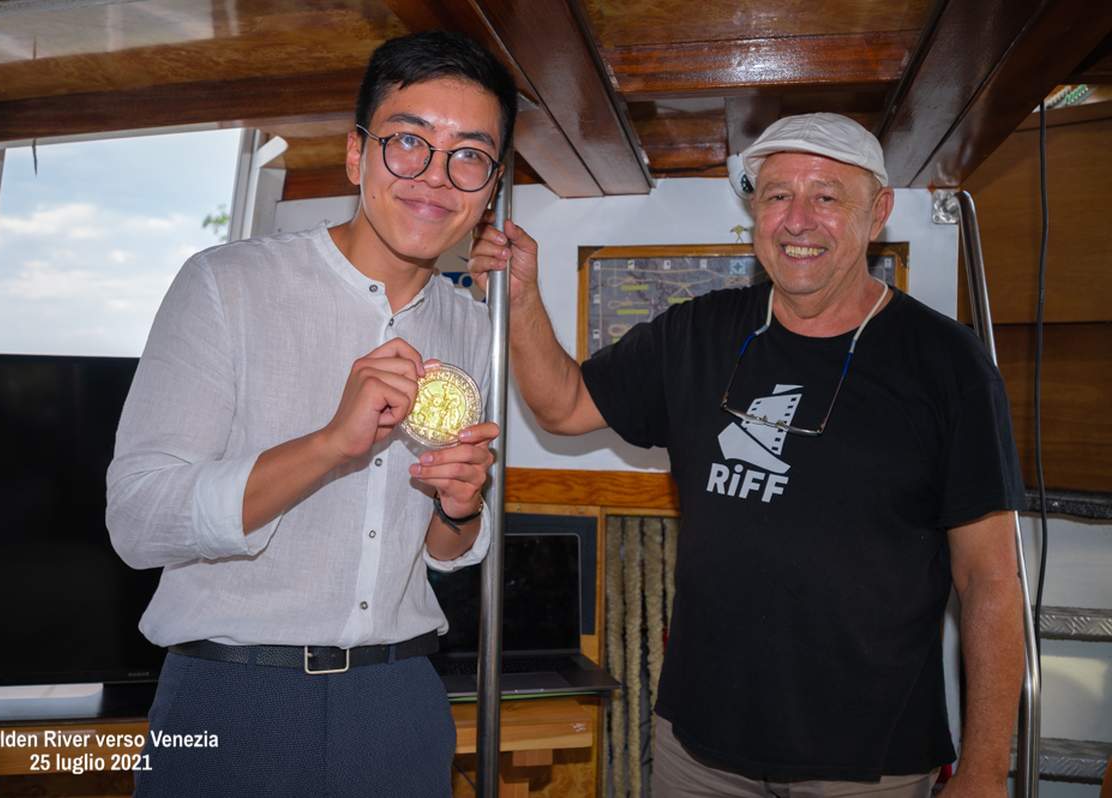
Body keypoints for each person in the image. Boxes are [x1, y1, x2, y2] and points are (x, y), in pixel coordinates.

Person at [469, 113, 1025, 798]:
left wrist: (985, 768)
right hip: (699, 746)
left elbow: (990, 578)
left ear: (878, 212)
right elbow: (564, 406)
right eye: (777, 195)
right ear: (755, 212)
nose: (798, 219)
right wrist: (522, 296)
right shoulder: (696, 331)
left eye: (827, 196)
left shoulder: (948, 363)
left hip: (869, 757)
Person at [106, 30, 517, 797]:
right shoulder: (227, 285)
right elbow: (138, 520)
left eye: (469, 155)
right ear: (357, 155)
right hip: (233, 696)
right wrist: (330, 445)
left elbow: (444, 550)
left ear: (489, 187)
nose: (436, 176)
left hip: (401, 701)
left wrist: (459, 507)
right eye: (408, 141)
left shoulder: (472, 329)